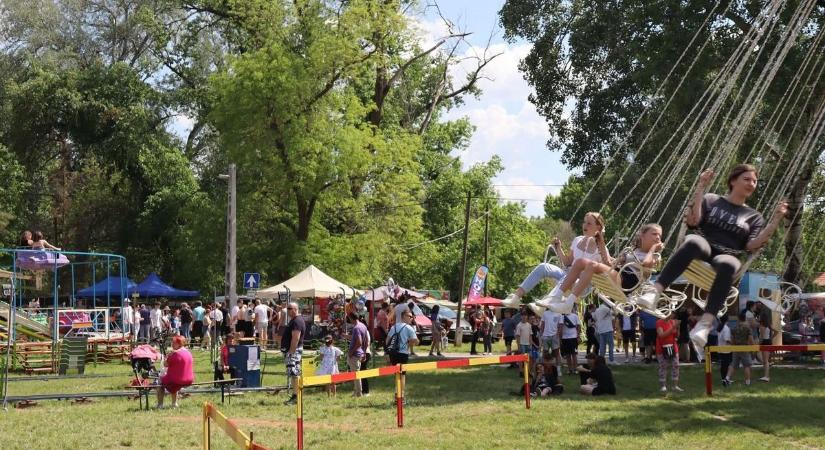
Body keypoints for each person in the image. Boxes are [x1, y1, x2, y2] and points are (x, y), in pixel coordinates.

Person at [634, 165, 788, 357]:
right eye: (747, 179)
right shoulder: (713, 200)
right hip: (705, 245)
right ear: (733, 181)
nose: (752, 184)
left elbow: (752, 245)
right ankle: (654, 291)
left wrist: (775, 220)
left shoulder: (754, 217)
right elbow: (695, 221)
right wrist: (701, 187)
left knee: (730, 265)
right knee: (693, 241)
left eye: (754, 181)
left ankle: (705, 325)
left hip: (727, 255)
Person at [502, 212, 611, 314]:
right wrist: (558, 248)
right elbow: (567, 262)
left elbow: (608, 267)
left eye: (589, 223)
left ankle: (545, 304)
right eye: (584, 222)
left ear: (598, 228)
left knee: (569, 275)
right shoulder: (578, 240)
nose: (584, 225)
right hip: (568, 276)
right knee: (543, 267)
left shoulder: (601, 248)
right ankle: (516, 297)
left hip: (581, 286)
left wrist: (601, 241)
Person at [386, 306, 418, 403]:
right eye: (410, 316)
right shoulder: (409, 328)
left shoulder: (394, 327)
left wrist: (387, 353)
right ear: (403, 316)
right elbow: (416, 341)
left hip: (393, 353)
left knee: (397, 374)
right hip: (403, 354)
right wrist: (411, 342)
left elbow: (387, 340)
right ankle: (401, 396)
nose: (411, 318)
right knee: (402, 375)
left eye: (412, 317)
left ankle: (397, 394)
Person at [156, 335, 194, 409]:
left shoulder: (174, 353)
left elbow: (165, 364)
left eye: (174, 343)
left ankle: (160, 405)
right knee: (174, 383)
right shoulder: (189, 352)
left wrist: (167, 357)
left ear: (180, 344)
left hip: (177, 380)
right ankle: (174, 403)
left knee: (159, 382)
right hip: (189, 379)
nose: (172, 344)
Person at [281, 302, 306, 405]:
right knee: (294, 374)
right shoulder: (294, 320)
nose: (288, 310)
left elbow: (296, 338)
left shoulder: (297, 321)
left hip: (294, 351)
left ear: (296, 309)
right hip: (293, 351)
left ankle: (296, 397)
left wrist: (291, 353)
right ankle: (296, 395)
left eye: (290, 308)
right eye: (288, 308)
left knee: (294, 373)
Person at [655, 312, 682, 392]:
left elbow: (677, 336)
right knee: (663, 366)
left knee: (676, 365)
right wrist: (673, 327)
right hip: (662, 348)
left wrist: (678, 328)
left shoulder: (672, 322)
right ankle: (663, 386)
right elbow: (661, 335)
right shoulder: (659, 322)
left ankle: (675, 386)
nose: (672, 315)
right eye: (671, 313)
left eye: (673, 314)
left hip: (673, 347)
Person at [727, 309, 754, 385]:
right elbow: (751, 339)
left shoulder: (734, 328)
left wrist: (733, 347)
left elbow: (732, 340)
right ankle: (748, 382)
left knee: (733, 365)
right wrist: (754, 348)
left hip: (736, 348)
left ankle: (727, 378)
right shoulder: (747, 328)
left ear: (738, 319)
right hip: (745, 348)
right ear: (745, 318)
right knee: (747, 365)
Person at [346, 313, 369, 397]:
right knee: (356, 373)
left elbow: (359, 342)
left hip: (355, 354)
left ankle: (359, 393)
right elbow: (366, 341)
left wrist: (351, 352)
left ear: (351, 318)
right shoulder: (363, 326)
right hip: (360, 353)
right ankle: (356, 391)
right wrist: (364, 352)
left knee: (356, 374)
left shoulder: (356, 328)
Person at [757, 303, 775, 382]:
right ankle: (766, 375)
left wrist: (758, 344)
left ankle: (766, 376)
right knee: (764, 360)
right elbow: (777, 332)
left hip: (764, 342)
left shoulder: (762, 326)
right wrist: (771, 338)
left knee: (765, 360)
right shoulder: (768, 325)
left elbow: (761, 336)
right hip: (768, 341)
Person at [717, 315, 733, 387]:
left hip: (720, 348)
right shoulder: (726, 328)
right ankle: (726, 379)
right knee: (727, 365)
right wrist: (733, 344)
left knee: (723, 365)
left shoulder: (719, 327)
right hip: (726, 349)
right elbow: (727, 339)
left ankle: (724, 378)